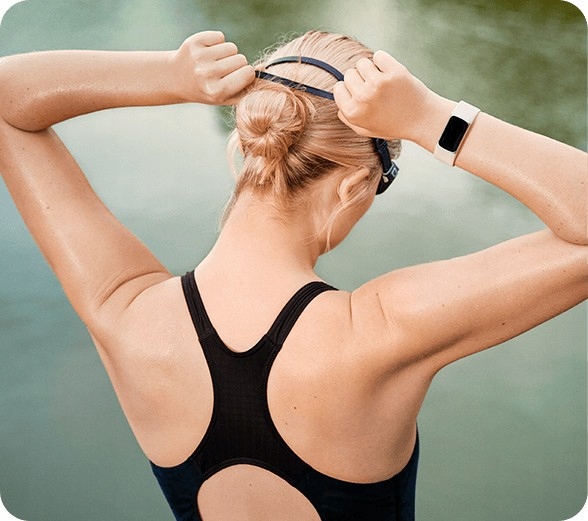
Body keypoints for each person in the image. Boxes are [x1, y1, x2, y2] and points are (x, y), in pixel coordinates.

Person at [0, 29, 585, 521]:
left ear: (250, 144)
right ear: (354, 186)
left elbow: (10, 105)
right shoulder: (384, 331)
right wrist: (432, 119)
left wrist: (172, 77)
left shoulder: (125, 313)